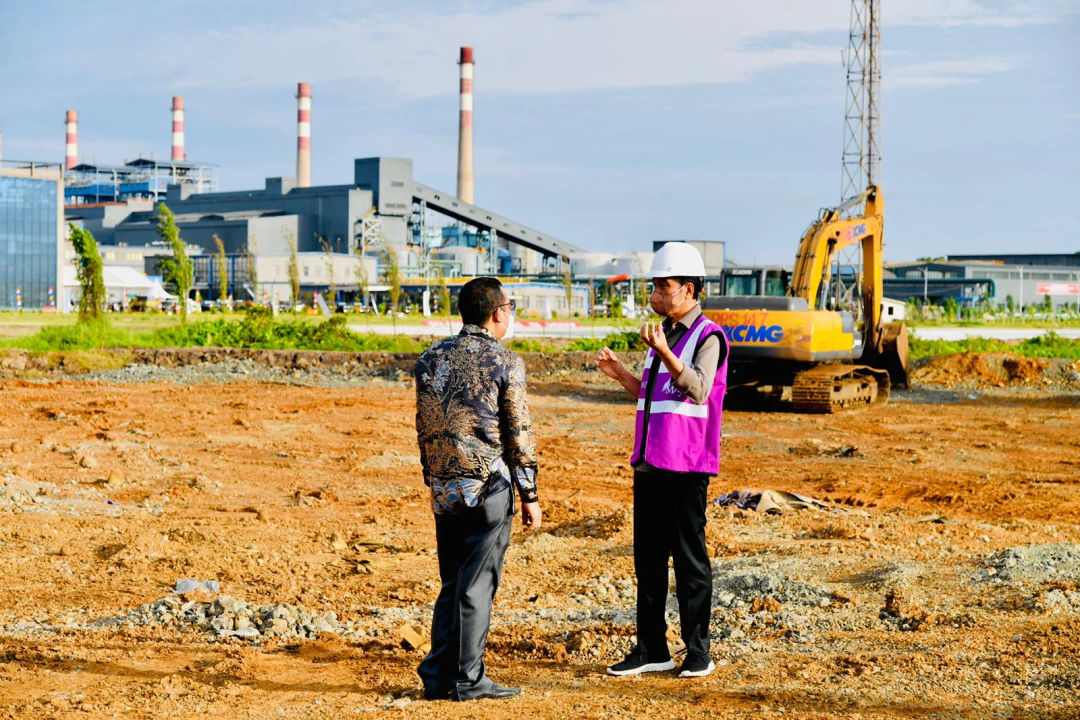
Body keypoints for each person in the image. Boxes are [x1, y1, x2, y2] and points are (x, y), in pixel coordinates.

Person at [595, 242, 729, 679]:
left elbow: (698, 389)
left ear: (688, 289)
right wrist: (620, 375)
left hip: (687, 467)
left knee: (690, 561)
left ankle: (698, 652)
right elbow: (653, 395)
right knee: (648, 562)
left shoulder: (708, 336)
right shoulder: (664, 335)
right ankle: (651, 649)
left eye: (662, 286)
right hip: (651, 465)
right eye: (653, 286)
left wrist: (666, 353)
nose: (654, 294)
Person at [414, 276, 542, 701]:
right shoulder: (505, 362)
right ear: (498, 312)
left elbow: (426, 426)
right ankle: (468, 680)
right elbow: (518, 433)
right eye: (510, 307)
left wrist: (434, 478)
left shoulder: (429, 358)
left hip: (445, 489)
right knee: (477, 585)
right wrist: (530, 494)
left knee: (453, 582)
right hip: (488, 487)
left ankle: (438, 675)